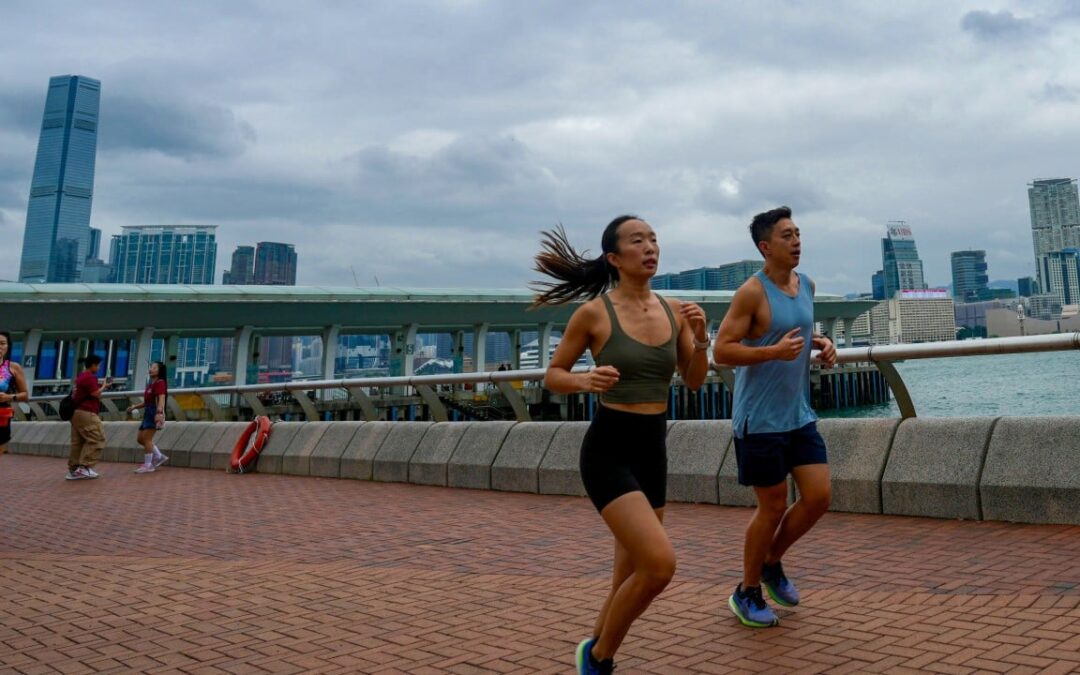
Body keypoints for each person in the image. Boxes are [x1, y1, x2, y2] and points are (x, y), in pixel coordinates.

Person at [533, 215, 710, 674]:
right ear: (615, 258)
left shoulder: (675, 311)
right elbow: (552, 375)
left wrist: (703, 339)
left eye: (653, 238)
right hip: (609, 448)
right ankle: (596, 656)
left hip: (653, 447)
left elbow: (693, 381)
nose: (650, 247)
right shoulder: (594, 313)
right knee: (659, 565)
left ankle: (599, 657)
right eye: (638, 241)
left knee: (627, 577)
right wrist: (584, 380)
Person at [713, 206, 837, 628]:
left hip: (798, 414)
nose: (797, 240)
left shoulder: (807, 285)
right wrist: (770, 352)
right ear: (766, 247)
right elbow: (722, 350)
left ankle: (771, 561)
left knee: (818, 497)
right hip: (759, 418)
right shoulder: (752, 292)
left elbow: (796, 331)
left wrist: (821, 342)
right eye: (787, 235)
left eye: (798, 232)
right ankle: (746, 591)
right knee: (772, 507)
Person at [67, 354, 110, 480]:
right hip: (86, 412)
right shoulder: (89, 377)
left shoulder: (80, 377)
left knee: (78, 442)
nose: (99, 368)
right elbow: (95, 394)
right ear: (93, 365)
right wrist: (104, 386)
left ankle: (74, 469)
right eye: (99, 365)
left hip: (75, 413)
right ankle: (85, 467)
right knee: (97, 438)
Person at [126, 361, 169, 473]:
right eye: (151, 367)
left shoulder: (160, 383)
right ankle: (159, 456)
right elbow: (147, 402)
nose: (151, 369)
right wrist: (134, 407)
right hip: (148, 412)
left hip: (153, 412)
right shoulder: (151, 385)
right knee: (140, 439)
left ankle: (148, 465)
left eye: (154, 368)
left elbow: (161, 398)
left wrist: (159, 413)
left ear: (160, 371)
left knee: (147, 439)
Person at [0, 332, 30, 456]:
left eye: (2, 343)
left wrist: (9, 397)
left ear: (8, 346)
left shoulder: (13, 368)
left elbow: (25, 395)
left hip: (1, 415)